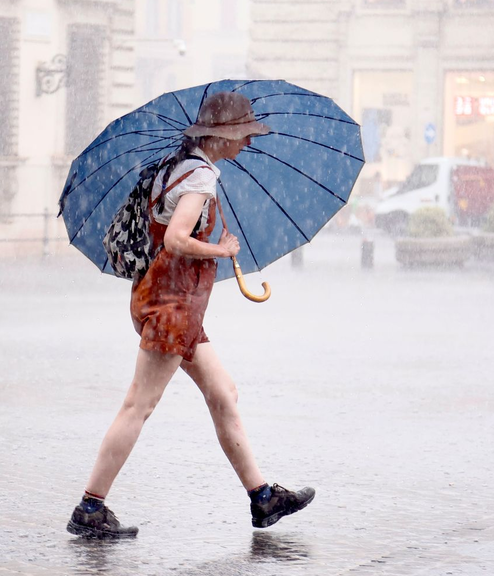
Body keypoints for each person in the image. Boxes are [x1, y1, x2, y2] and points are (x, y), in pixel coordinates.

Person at [66, 92, 316, 539]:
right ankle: (90, 507)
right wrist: (219, 249)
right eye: (244, 134)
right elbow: (177, 240)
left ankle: (263, 498)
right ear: (222, 135)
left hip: (172, 303)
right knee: (138, 405)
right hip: (172, 307)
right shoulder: (199, 177)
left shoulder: (176, 168)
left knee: (224, 392)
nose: (248, 143)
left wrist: (209, 241)